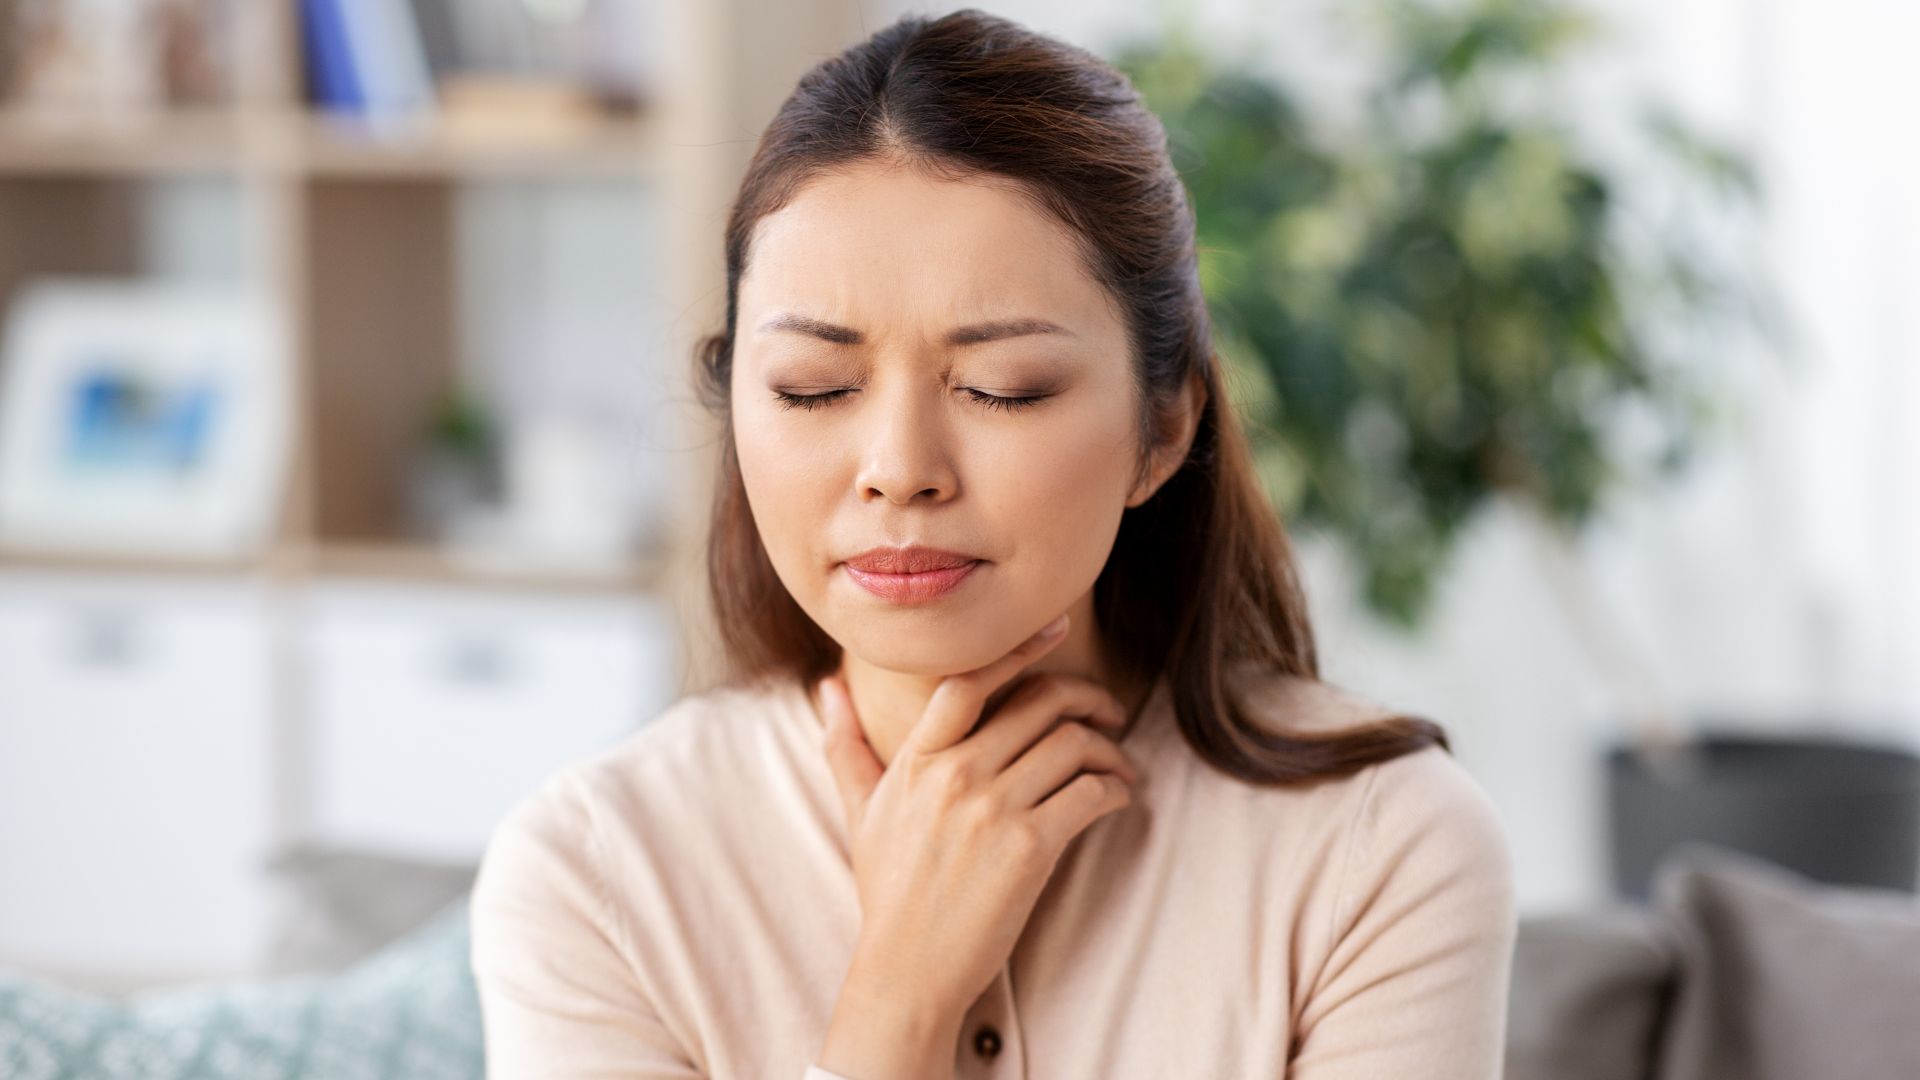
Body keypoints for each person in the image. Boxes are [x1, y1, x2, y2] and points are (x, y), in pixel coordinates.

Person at [468, 9, 1517, 1079]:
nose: (899, 466)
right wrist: (898, 1002)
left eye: (999, 389)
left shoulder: (1379, 847)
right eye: (813, 388)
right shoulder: (593, 876)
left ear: (1162, 428)